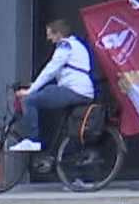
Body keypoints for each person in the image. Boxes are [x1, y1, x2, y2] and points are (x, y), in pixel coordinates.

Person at [11, 19, 95, 160]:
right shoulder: (78, 45)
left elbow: (51, 70)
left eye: (51, 35)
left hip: (73, 90)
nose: (49, 39)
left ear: (59, 34)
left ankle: (32, 140)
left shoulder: (65, 45)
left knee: (28, 101)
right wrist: (35, 85)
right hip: (84, 91)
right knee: (49, 91)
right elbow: (65, 72)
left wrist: (30, 91)